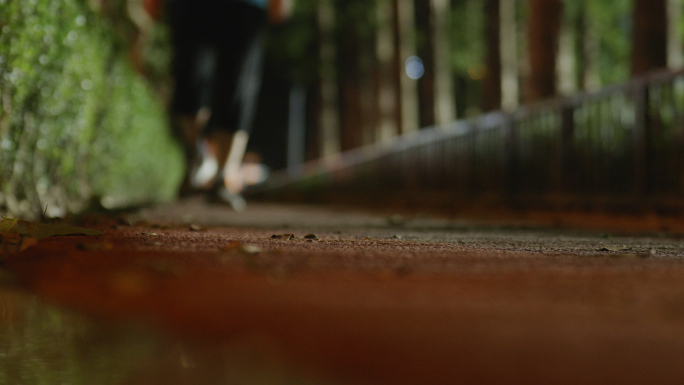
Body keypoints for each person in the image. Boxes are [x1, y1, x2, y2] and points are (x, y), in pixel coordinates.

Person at [144, 0, 292, 210]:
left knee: (238, 85)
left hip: (247, 6)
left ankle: (224, 177)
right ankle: (199, 155)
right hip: (190, 6)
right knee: (188, 79)